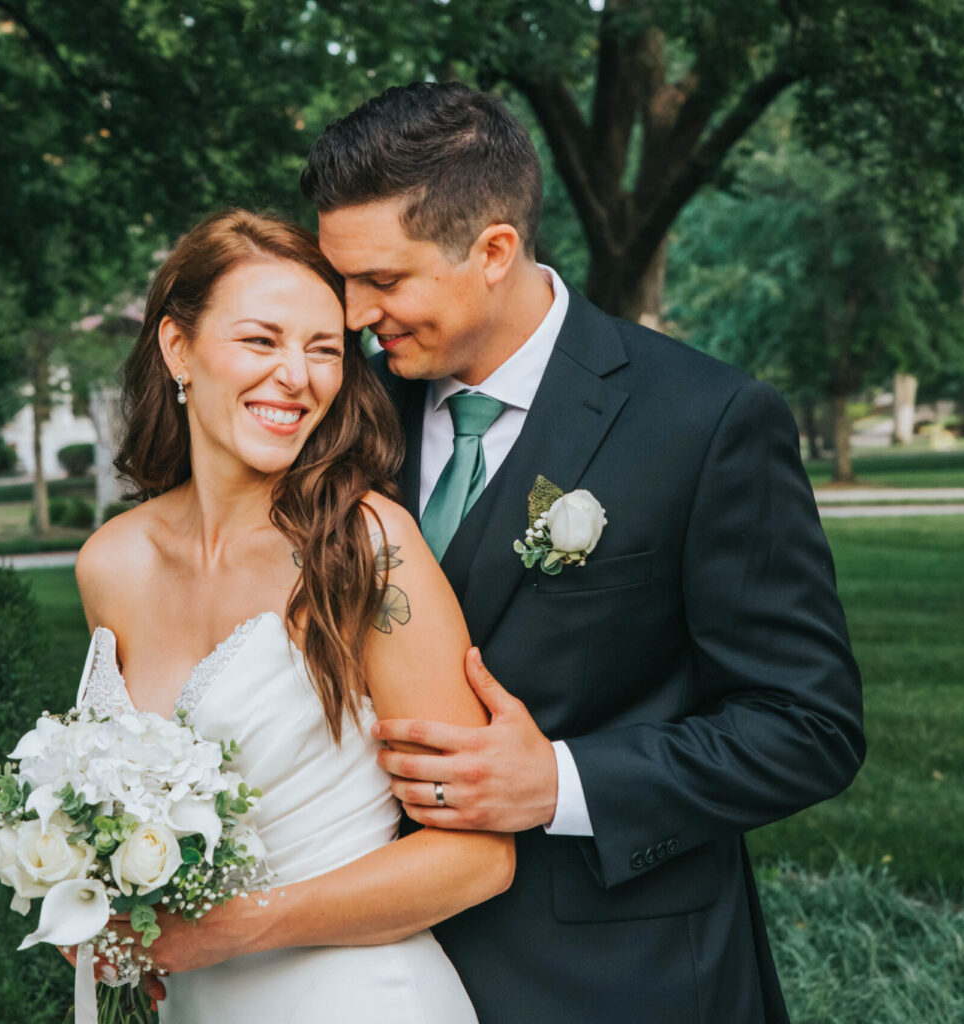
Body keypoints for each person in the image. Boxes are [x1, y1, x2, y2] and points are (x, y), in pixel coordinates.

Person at [294, 82, 867, 1022]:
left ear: (493, 251)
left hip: (617, 977)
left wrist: (558, 780)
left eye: (384, 281)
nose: (355, 315)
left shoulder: (708, 422)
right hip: (368, 969)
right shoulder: (347, 414)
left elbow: (809, 728)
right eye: (341, 279)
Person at [70, 208, 512, 1022]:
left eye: (323, 349)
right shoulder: (112, 563)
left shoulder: (366, 548)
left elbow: (476, 857)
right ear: (178, 348)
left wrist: (233, 929)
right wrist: (84, 892)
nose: (297, 377)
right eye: (260, 341)